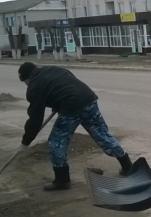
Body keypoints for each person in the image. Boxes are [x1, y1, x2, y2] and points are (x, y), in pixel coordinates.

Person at [17, 62, 132, 190]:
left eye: (24, 81)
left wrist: (25, 141)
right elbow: (66, 83)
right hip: (88, 98)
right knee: (102, 134)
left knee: (56, 141)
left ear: (26, 78)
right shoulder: (52, 69)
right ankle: (127, 166)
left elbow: (35, 119)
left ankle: (62, 180)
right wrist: (57, 103)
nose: (26, 84)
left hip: (71, 107)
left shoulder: (34, 87)